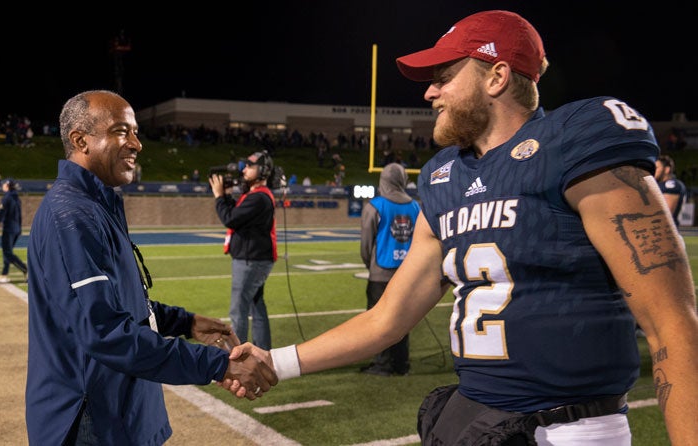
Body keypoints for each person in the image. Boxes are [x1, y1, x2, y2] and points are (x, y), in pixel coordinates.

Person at [228, 10, 698, 445]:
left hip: (570, 429)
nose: (429, 93)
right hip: (478, 420)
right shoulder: (442, 176)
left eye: (444, 77)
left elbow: (671, 324)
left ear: (496, 77)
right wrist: (277, 362)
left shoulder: (572, 143)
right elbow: (386, 319)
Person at [25, 90, 276, 446]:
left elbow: (120, 303)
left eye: (135, 131)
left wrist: (185, 322)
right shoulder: (71, 214)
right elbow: (104, 331)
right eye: (121, 131)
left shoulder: (97, 205)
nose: (137, 144)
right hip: (92, 417)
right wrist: (218, 365)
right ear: (80, 140)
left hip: (119, 408)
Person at [209, 150, 277, 350]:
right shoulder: (257, 196)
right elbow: (237, 215)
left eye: (250, 166)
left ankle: (239, 356)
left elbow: (230, 219)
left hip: (251, 260)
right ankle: (263, 350)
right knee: (257, 306)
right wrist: (227, 197)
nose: (244, 169)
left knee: (238, 310)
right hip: (255, 258)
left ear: (262, 171)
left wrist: (219, 197)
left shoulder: (258, 198)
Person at [358, 163, 420, 377]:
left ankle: (382, 364)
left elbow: (366, 245)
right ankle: (401, 364)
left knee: (378, 319)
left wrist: (370, 265)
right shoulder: (415, 207)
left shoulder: (375, 206)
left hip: (381, 272)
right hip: (407, 274)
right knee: (402, 319)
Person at [0, 179, 27, 283]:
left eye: (4, 184)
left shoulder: (7, 198)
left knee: (7, 252)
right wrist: (19, 229)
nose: (2, 186)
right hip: (16, 228)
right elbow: (19, 215)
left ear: (8, 186)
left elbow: (1, 215)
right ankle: (4, 274)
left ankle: (25, 269)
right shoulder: (16, 198)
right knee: (7, 252)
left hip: (9, 228)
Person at [654, 154, 687, 228]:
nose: (654, 171)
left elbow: (666, 214)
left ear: (666, 169)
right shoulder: (657, 185)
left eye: (656, 168)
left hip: (666, 232)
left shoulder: (671, 185)